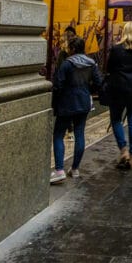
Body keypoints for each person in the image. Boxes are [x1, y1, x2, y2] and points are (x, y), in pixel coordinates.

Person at [50, 37, 102, 184]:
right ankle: (75, 169)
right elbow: (98, 82)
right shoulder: (92, 63)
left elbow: (58, 84)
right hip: (84, 102)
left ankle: (59, 170)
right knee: (80, 134)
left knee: (58, 134)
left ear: (72, 49)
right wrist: (87, 91)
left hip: (67, 102)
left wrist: (55, 102)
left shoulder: (67, 64)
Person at [105, 22, 132, 169]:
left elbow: (109, 68)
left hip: (119, 88)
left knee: (116, 119)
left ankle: (123, 150)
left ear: (124, 32)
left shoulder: (116, 49)